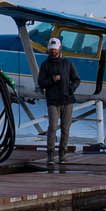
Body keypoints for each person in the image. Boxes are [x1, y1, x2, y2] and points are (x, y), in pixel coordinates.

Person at [35, 36, 80, 170]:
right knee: (53, 127)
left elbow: (77, 79)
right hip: (53, 101)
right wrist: (52, 80)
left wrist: (71, 89)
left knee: (66, 129)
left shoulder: (68, 63)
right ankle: (50, 155)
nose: (53, 52)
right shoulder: (45, 65)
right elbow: (41, 83)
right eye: (51, 50)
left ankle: (62, 155)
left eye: (54, 50)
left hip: (68, 101)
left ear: (59, 49)